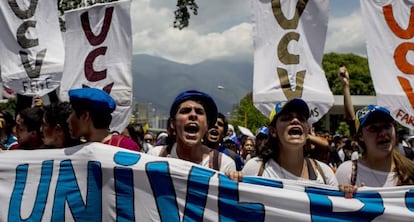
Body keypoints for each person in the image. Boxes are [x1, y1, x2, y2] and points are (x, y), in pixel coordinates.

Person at [335, 65, 414, 187]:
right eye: (373, 129)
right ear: (360, 136)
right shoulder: (347, 173)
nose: (382, 133)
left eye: (386, 126)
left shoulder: (410, 171)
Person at [241, 98, 338, 186]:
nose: (295, 121)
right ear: (273, 131)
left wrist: (346, 194)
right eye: (287, 118)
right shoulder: (256, 168)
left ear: (307, 130)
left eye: (301, 118)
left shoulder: (324, 174)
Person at [148, 90, 236, 172]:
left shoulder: (224, 166)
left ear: (207, 125)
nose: (193, 115)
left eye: (199, 112)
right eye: (185, 111)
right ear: (173, 123)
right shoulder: (155, 157)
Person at [67, 88, 140, 152]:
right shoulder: (75, 151)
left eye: (71, 113)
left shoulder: (125, 147)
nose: (68, 120)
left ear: (85, 116)